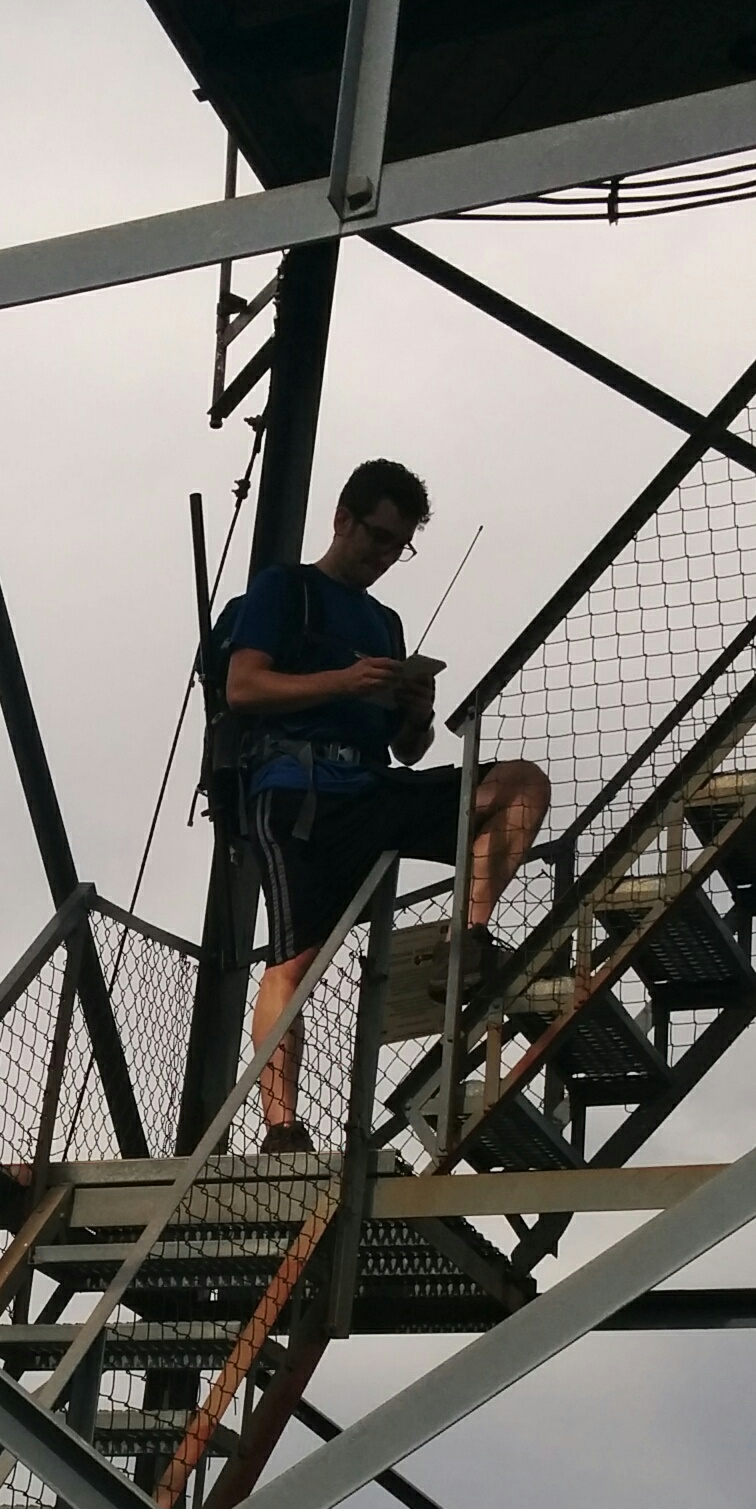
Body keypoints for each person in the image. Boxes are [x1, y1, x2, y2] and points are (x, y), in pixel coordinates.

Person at [224, 459, 550, 1151]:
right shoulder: (288, 588)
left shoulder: (385, 620)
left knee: (519, 783)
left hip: (374, 786)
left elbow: (406, 751)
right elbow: (244, 689)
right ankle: (281, 1129)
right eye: (375, 536)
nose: (382, 556)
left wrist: (414, 714)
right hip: (297, 792)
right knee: (293, 964)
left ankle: (468, 934)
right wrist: (343, 680)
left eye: (396, 546)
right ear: (342, 518)